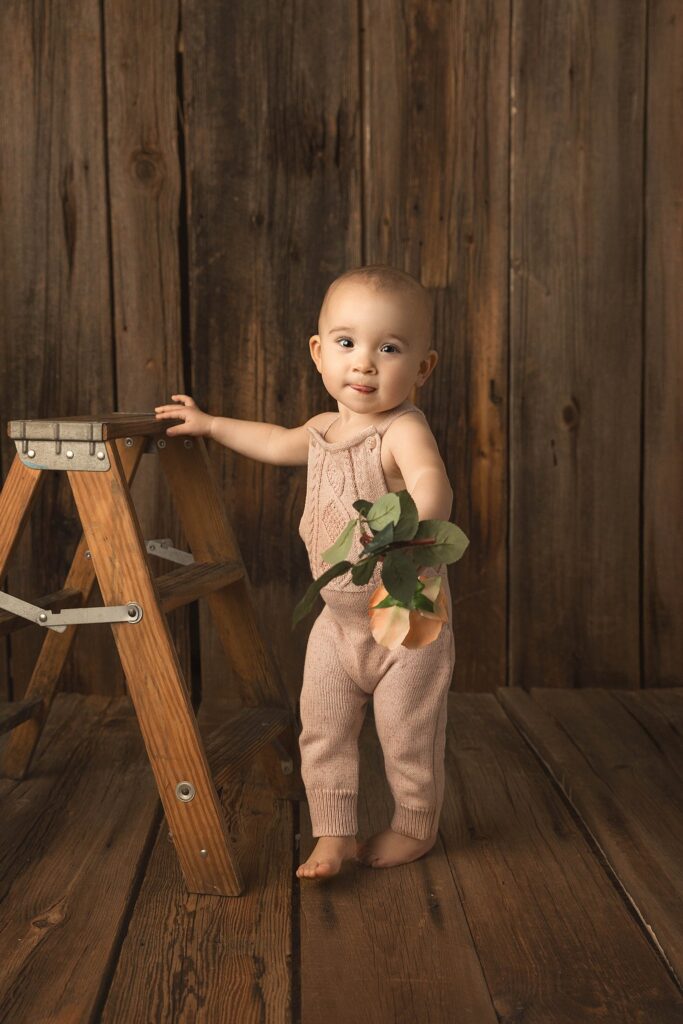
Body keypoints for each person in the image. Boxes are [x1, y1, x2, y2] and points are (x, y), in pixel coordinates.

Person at [155, 265, 455, 880]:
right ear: (319, 354)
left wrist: (411, 525)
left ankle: (415, 825)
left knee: (406, 732)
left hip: (404, 620)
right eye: (347, 344)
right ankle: (334, 833)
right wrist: (210, 425)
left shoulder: (402, 430)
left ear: (422, 368)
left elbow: (432, 484)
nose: (365, 364)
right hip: (338, 624)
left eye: (389, 348)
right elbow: (271, 441)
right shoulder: (323, 430)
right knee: (321, 729)